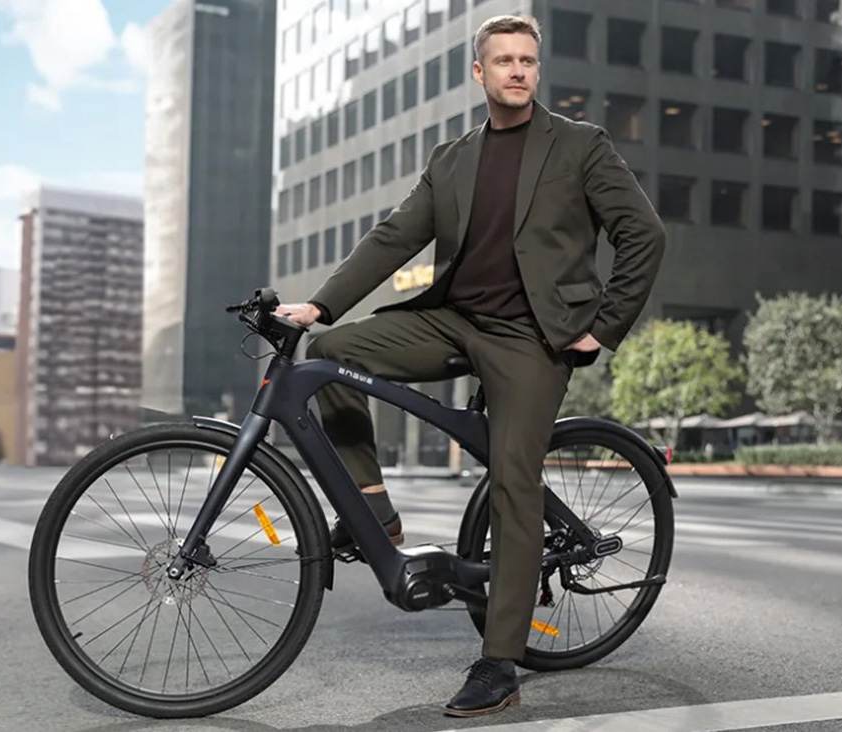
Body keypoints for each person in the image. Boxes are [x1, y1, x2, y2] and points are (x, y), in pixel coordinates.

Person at [276, 14, 665, 718]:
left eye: (528, 60)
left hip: (531, 339)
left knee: (513, 480)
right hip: (453, 320)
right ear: (478, 73)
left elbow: (643, 233)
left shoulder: (579, 146)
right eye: (504, 61)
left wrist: (602, 328)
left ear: (536, 71)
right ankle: (372, 506)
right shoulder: (451, 158)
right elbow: (394, 236)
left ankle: (499, 662)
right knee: (328, 356)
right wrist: (322, 307)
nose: (518, 70)